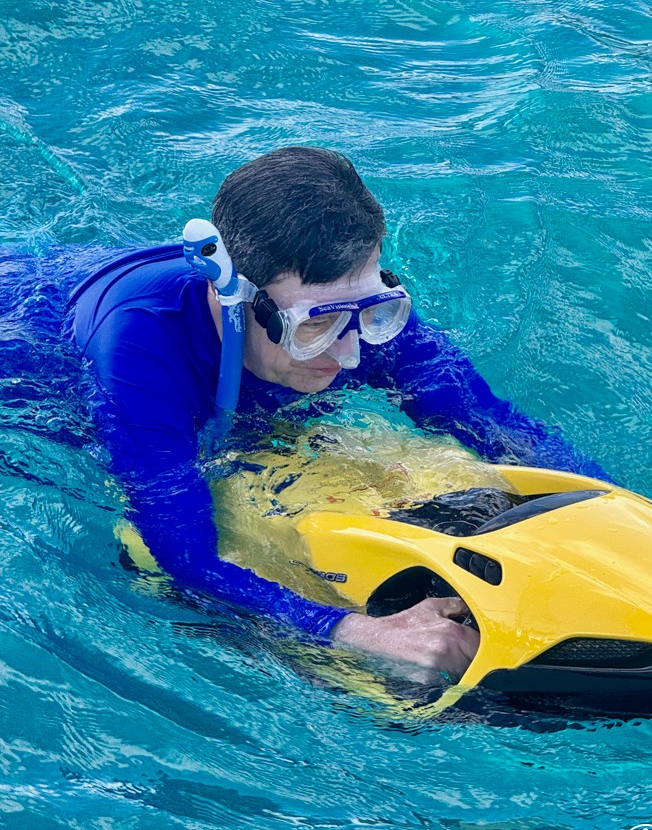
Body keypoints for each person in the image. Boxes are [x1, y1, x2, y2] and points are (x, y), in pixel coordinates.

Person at [61, 147, 609, 676]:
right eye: (316, 327)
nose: (349, 353)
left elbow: (495, 427)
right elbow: (184, 555)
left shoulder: (352, 307)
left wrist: (607, 511)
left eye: (369, 313)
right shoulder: (138, 351)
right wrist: (351, 631)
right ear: (236, 298)